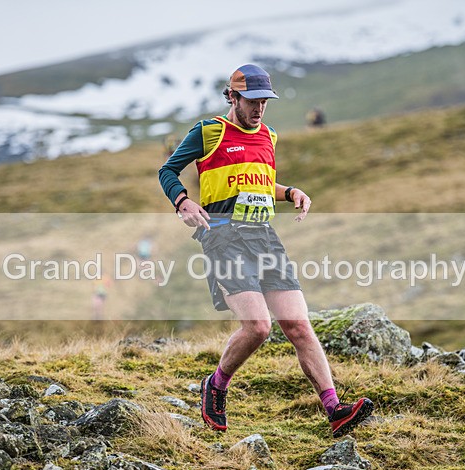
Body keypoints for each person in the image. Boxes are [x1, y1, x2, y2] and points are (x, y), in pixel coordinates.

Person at [158, 64, 374, 437]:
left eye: (265, 102)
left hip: (263, 237)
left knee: (298, 326)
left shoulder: (269, 136)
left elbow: (260, 182)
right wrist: (183, 202)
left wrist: (290, 192)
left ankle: (335, 409)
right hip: (223, 237)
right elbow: (168, 170)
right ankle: (216, 384)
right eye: (252, 101)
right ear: (233, 97)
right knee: (258, 327)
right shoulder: (209, 132)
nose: (259, 109)